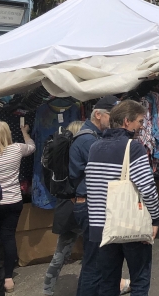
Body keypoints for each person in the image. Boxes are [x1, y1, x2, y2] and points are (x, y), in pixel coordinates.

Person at [44, 120, 131, 296]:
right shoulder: (84, 145)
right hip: (82, 206)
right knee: (97, 253)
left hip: (69, 208)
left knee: (65, 253)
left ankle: (48, 288)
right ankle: (114, 284)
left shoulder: (66, 153)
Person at [85, 100, 159, 296]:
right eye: (140, 121)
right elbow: (148, 188)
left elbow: (92, 188)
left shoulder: (95, 147)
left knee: (108, 282)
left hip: (102, 229)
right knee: (140, 279)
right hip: (130, 225)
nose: (141, 126)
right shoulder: (133, 148)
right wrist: (155, 218)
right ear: (127, 121)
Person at [69, 95, 115, 296]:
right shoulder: (89, 140)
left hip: (87, 203)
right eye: (111, 117)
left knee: (93, 259)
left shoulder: (91, 137)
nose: (114, 122)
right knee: (95, 262)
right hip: (90, 205)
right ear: (98, 115)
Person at [0, 120, 34, 293]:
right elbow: (32, 147)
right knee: (9, 237)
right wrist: (25, 132)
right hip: (14, 201)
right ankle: (8, 278)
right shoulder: (17, 149)